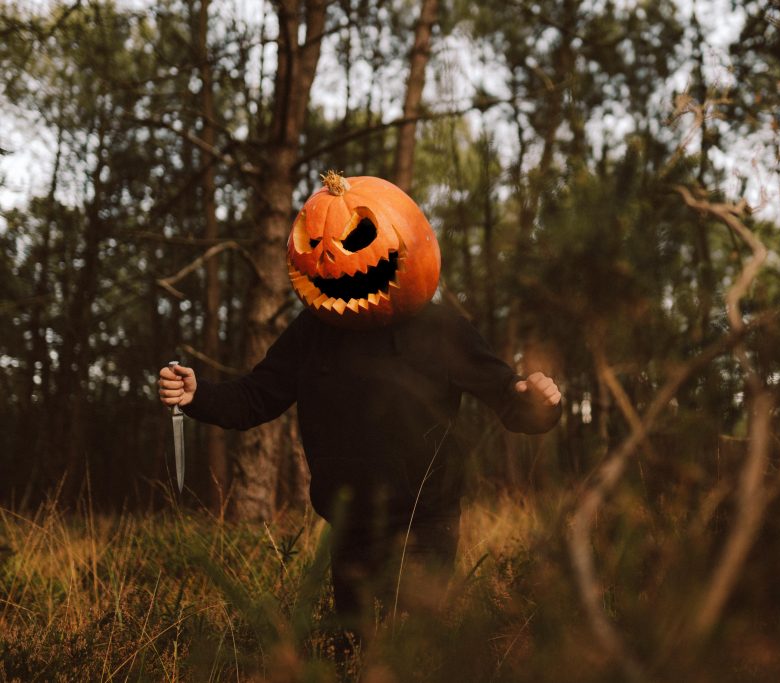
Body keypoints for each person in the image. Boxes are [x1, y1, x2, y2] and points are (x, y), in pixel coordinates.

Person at [156, 174, 561, 645]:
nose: (329, 256)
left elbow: (508, 401)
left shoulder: (442, 330)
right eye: (315, 242)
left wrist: (539, 401)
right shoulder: (312, 332)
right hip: (348, 522)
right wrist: (197, 394)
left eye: (356, 239)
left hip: (426, 518)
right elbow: (254, 398)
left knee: (416, 645)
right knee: (352, 645)